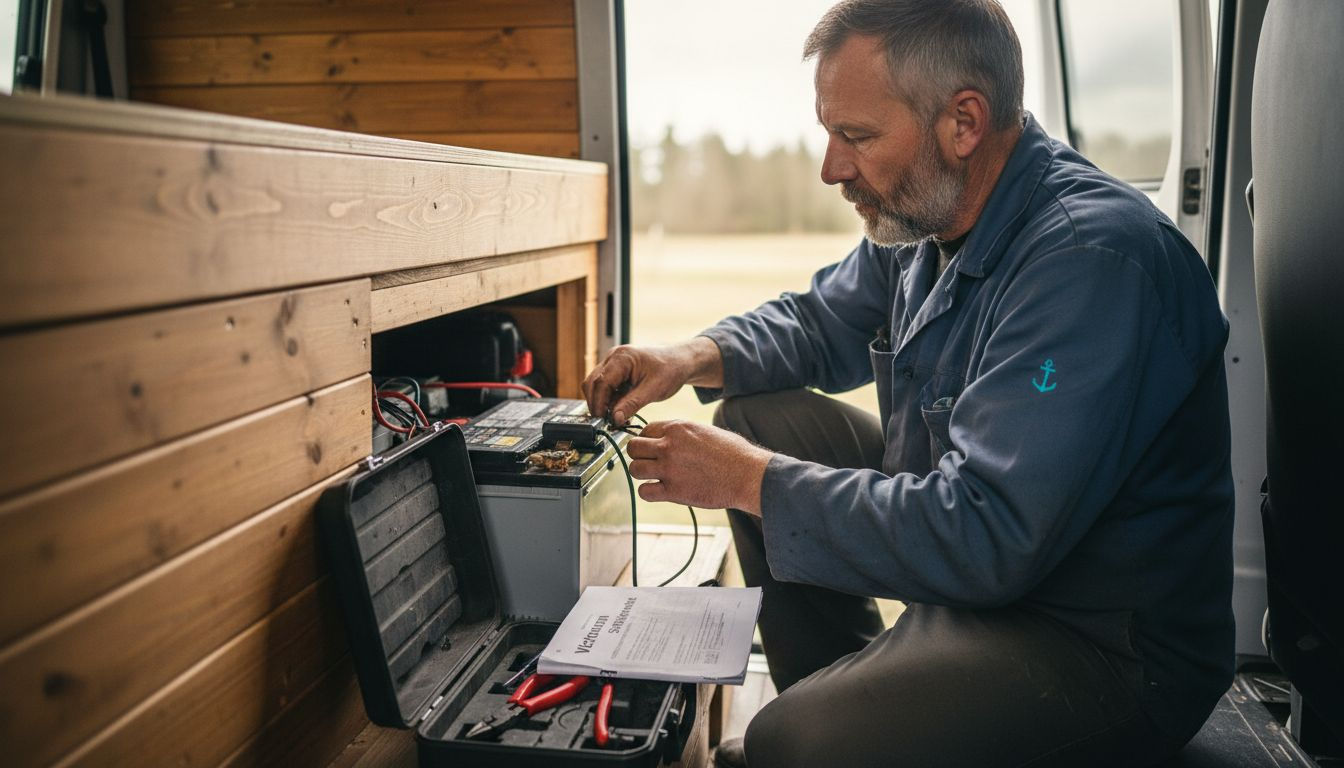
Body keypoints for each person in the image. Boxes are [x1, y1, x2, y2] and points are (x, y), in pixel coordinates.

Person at [583, 1, 1235, 765]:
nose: (831, 168)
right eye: (829, 133)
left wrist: (745, 480)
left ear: (963, 123)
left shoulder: (1091, 260)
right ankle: (847, 693)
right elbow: (818, 322)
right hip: (982, 574)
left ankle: (827, 729)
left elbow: (988, 533)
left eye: (857, 136)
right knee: (757, 418)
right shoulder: (926, 219)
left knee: (789, 743)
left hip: (1097, 642)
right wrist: (687, 357)